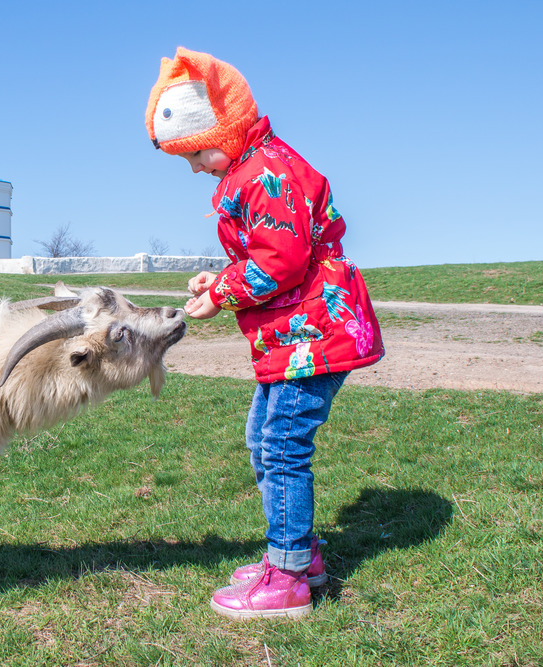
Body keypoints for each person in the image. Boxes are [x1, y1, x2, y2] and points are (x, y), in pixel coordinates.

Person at [146, 47, 384, 619]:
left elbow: (279, 262)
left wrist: (221, 295)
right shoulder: (254, 171)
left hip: (315, 333)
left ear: (224, 132)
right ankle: (300, 552)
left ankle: (289, 577)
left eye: (196, 154)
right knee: (265, 436)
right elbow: (270, 255)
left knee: (281, 443)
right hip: (297, 334)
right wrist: (221, 276)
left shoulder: (265, 174)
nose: (196, 167)